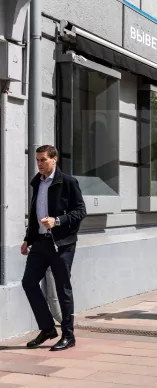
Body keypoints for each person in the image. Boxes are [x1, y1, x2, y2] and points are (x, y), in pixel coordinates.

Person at [21, 145, 87, 351]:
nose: (40, 164)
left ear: (54, 159)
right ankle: (48, 328)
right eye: (38, 160)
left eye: (43, 160)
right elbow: (35, 215)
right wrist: (28, 239)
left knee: (62, 288)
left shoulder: (67, 182)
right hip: (40, 243)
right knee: (29, 283)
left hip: (62, 245)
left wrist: (57, 221)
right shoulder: (37, 183)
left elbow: (81, 211)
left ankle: (69, 335)